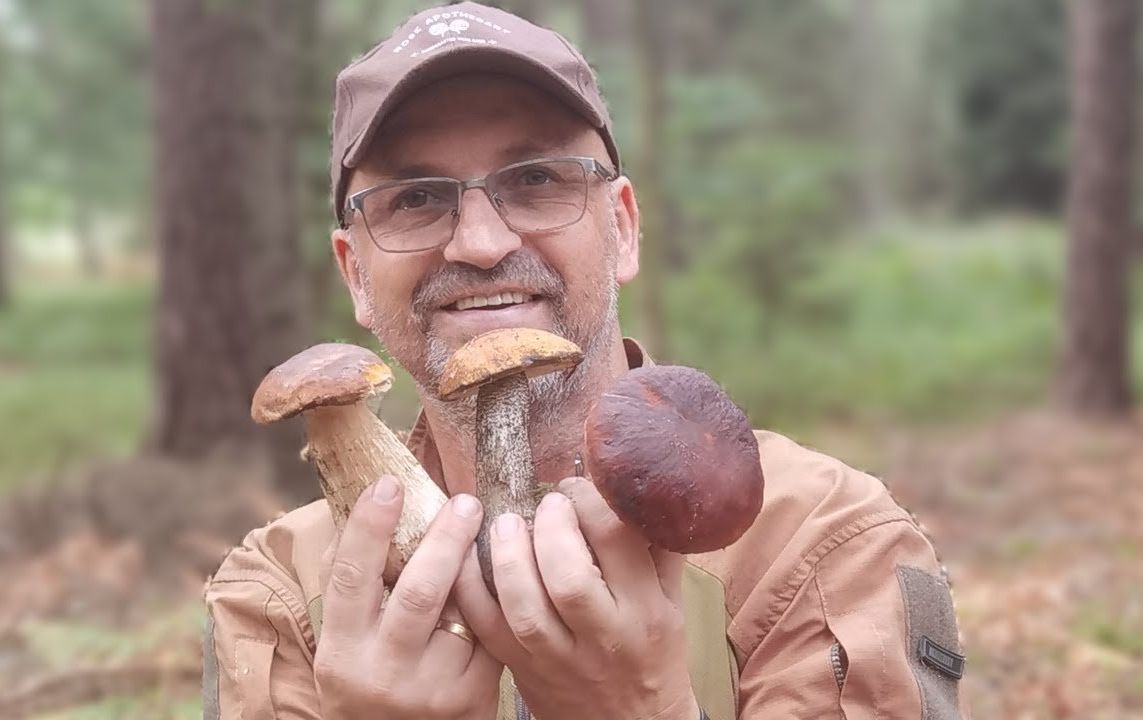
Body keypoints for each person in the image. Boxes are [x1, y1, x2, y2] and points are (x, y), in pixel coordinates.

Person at [203, 3, 972, 718]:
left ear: (625, 229)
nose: (481, 242)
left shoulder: (820, 542)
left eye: (536, 179)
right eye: (414, 197)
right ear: (355, 277)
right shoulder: (277, 593)